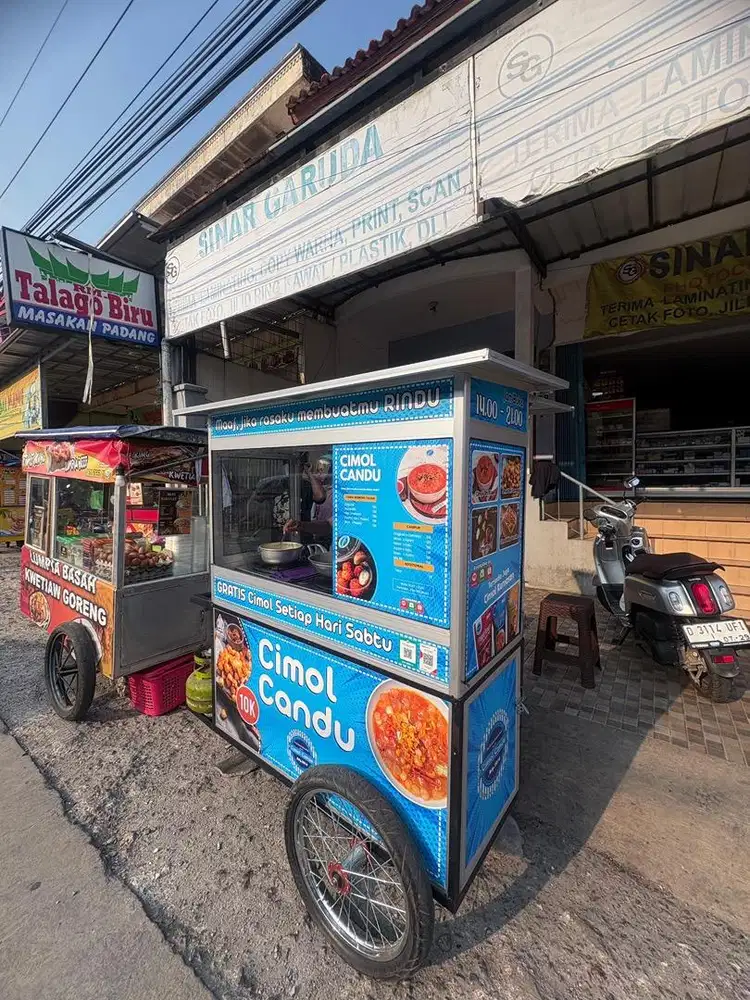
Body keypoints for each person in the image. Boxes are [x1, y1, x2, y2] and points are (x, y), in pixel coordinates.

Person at [284, 453, 333, 543]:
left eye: (323, 470)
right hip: (315, 535)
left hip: (329, 537)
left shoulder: (336, 493)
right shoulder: (311, 488)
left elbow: (329, 525)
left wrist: (310, 474)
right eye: (317, 469)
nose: (319, 472)